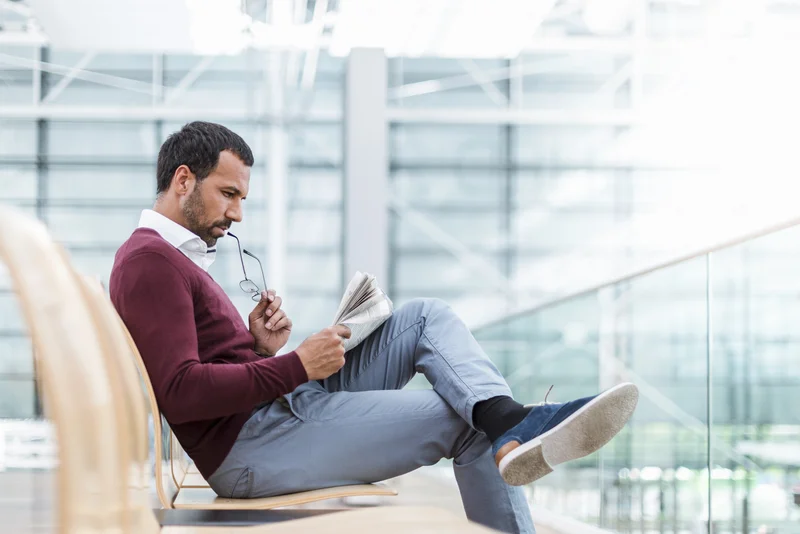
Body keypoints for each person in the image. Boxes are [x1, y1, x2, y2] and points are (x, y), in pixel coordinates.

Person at [110, 121, 639, 534]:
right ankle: (506, 430)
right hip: (253, 447)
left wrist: (260, 348)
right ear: (185, 180)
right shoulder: (151, 264)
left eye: (241, 198)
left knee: (424, 317)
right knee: (463, 418)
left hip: (277, 412)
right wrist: (292, 365)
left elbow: (203, 368)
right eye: (229, 194)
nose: (238, 213)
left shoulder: (168, 260)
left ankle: (510, 421)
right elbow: (179, 392)